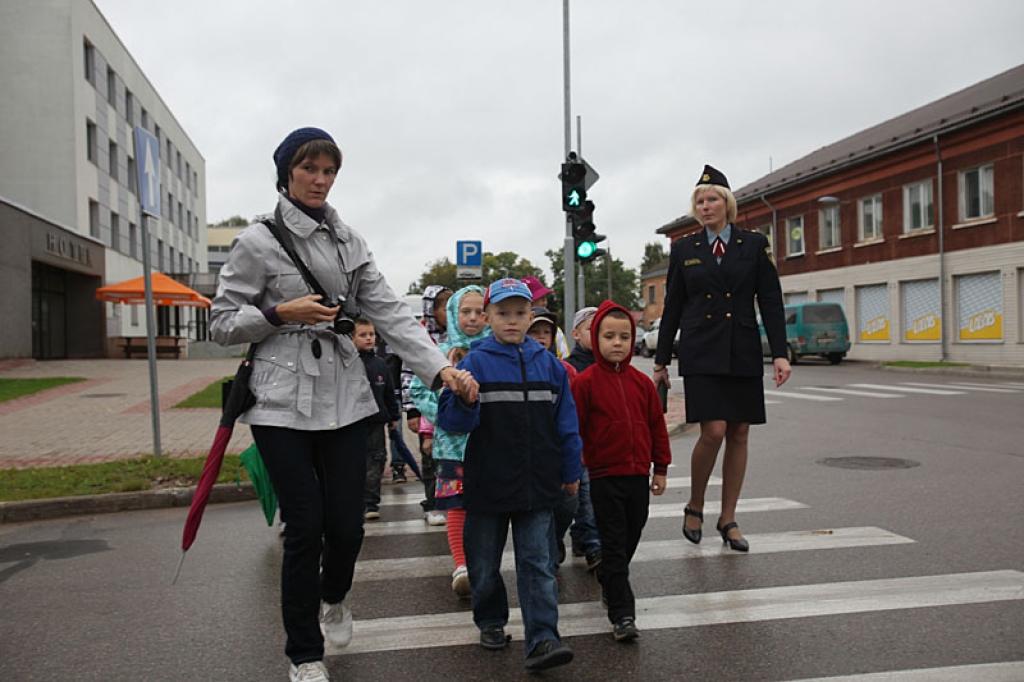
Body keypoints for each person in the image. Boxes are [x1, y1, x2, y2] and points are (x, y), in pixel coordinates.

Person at [209, 126, 475, 682]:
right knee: (305, 526)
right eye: (310, 169)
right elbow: (222, 323)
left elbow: (392, 312)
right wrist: (281, 314)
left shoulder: (349, 240)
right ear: (286, 172)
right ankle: (304, 653)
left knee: (348, 527)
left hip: (347, 399)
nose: (320, 180)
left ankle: (335, 597)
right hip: (280, 402)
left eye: (329, 171)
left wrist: (441, 367)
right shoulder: (257, 241)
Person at [436, 278, 580, 672]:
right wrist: (465, 399)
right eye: (503, 314)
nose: (512, 321)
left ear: (531, 315)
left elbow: (566, 423)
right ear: (487, 317)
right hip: (487, 484)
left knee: (538, 564)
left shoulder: (549, 365)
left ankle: (543, 639)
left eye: (520, 313)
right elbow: (450, 421)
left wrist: (570, 470)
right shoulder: (474, 362)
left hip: (538, 485)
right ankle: (491, 619)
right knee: (483, 564)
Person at [652, 164, 790, 554]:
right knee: (712, 431)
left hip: (742, 348)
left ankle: (728, 518)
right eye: (700, 200)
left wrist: (780, 353)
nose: (706, 205)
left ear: (727, 203)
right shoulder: (684, 248)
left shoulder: (753, 244)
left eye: (712, 198)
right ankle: (695, 504)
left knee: (739, 432)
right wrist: (661, 361)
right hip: (701, 350)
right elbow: (674, 305)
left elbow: (770, 301)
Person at [573, 300, 671, 641]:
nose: (617, 343)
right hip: (602, 476)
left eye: (624, 336)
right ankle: (622, 614)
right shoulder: (585, 383)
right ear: (596, 339)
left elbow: (657, 426)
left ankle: (610, 578)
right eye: (609, 336)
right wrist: (573, 469)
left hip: (636, 475)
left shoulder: (642, 384)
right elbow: (574, 429)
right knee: (613, 543)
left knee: (633, 531)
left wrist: (661, 468)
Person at [409, 285, 490, 598]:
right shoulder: (439, 354)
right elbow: (417, 391)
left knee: (485, 507)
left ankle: (483, 563)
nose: (472, 318)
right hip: (453, 446)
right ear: (453, 315)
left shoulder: (494, 350)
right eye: (464, 311)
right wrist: (445, 411)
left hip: (489, 443)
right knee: (457, 504)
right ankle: (462, 566)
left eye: (479, 311)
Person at [401, 284, 452, 524]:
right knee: (431, 458)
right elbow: (408, 374)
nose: (447, 311)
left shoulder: (459, 334)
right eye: (442, 306)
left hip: (454, 409)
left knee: (453, 460)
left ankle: (454, 501)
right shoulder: (421, 337)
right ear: (431, 310)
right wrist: (412, 410)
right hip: (428, 412)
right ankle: (433, 504)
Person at [562, 306, 603, 569]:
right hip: (579, 446)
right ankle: (594, 548)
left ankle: (583, 539)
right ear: (576, 334)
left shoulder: (610, 364)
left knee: (596, 499)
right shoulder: (570, 368)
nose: (599, 335)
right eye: (592, 329)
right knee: (584, 501)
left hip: (603, 445)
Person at [353, 318, 400, 520]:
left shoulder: (380, 364)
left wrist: (393, 416)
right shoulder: (348, 363)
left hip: (376, 420)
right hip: (353, 422)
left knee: (377, 460)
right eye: (363, 335)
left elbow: (388, 392)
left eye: (371, 334)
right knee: (355, 463)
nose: (369, 338)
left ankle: (371, 503)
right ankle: (354, 502)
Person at [522, 275, 571, 357]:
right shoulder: (514, 330)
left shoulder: (555, 329)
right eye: (540, 298)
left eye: (546, 332)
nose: (545, 302)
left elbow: (564, 359)